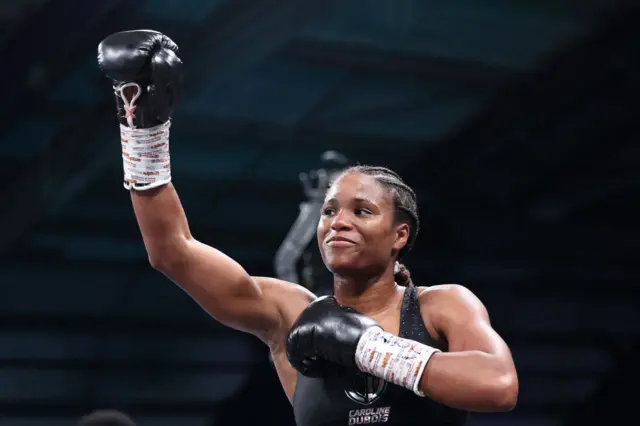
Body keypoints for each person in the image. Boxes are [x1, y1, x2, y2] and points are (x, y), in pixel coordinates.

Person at [97, 30, 519, 426]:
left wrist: (368, 349)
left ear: (400, 236)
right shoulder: (290, 314)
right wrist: (143, 135)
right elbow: (173, 251)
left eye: (362, 211)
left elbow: (499, 385)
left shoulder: (440, 307)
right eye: (330, 211)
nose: (339, 222)